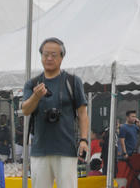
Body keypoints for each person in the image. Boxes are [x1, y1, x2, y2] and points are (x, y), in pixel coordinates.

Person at [21, 36, 89, 188]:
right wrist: (36, 96)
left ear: (62, 58)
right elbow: (25, 110)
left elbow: (83, 114)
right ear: (41, 57)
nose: (49, 58)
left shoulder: (72, 81)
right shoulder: (32, 84)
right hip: (40, 150)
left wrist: (84, 140)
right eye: (45, 54)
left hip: (66, 149)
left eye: (54, 55)